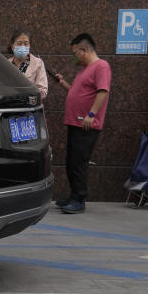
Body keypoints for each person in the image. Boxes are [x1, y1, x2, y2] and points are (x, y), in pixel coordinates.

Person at [51, 33, 110, 214]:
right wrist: (62, 83)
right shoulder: (84, 70)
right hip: (75, 123)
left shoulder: (101, 66)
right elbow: (77, 92)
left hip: (86, 124)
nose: (74, 57)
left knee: (79, 162)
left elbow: (103, 92)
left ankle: (79, 199)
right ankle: (73, 195)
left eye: (75, 52)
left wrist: (91, 114)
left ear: (84, 50)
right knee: (71, 162)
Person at [7, 30, 48, 101]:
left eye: (26, 44)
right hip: (9, 106)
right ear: (12, 46)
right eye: (19, 43)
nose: (23, 46)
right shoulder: (7, 64)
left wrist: (27, 98)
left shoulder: (38, 63)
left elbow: (43, 90)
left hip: (29, 108)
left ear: (29, 46)